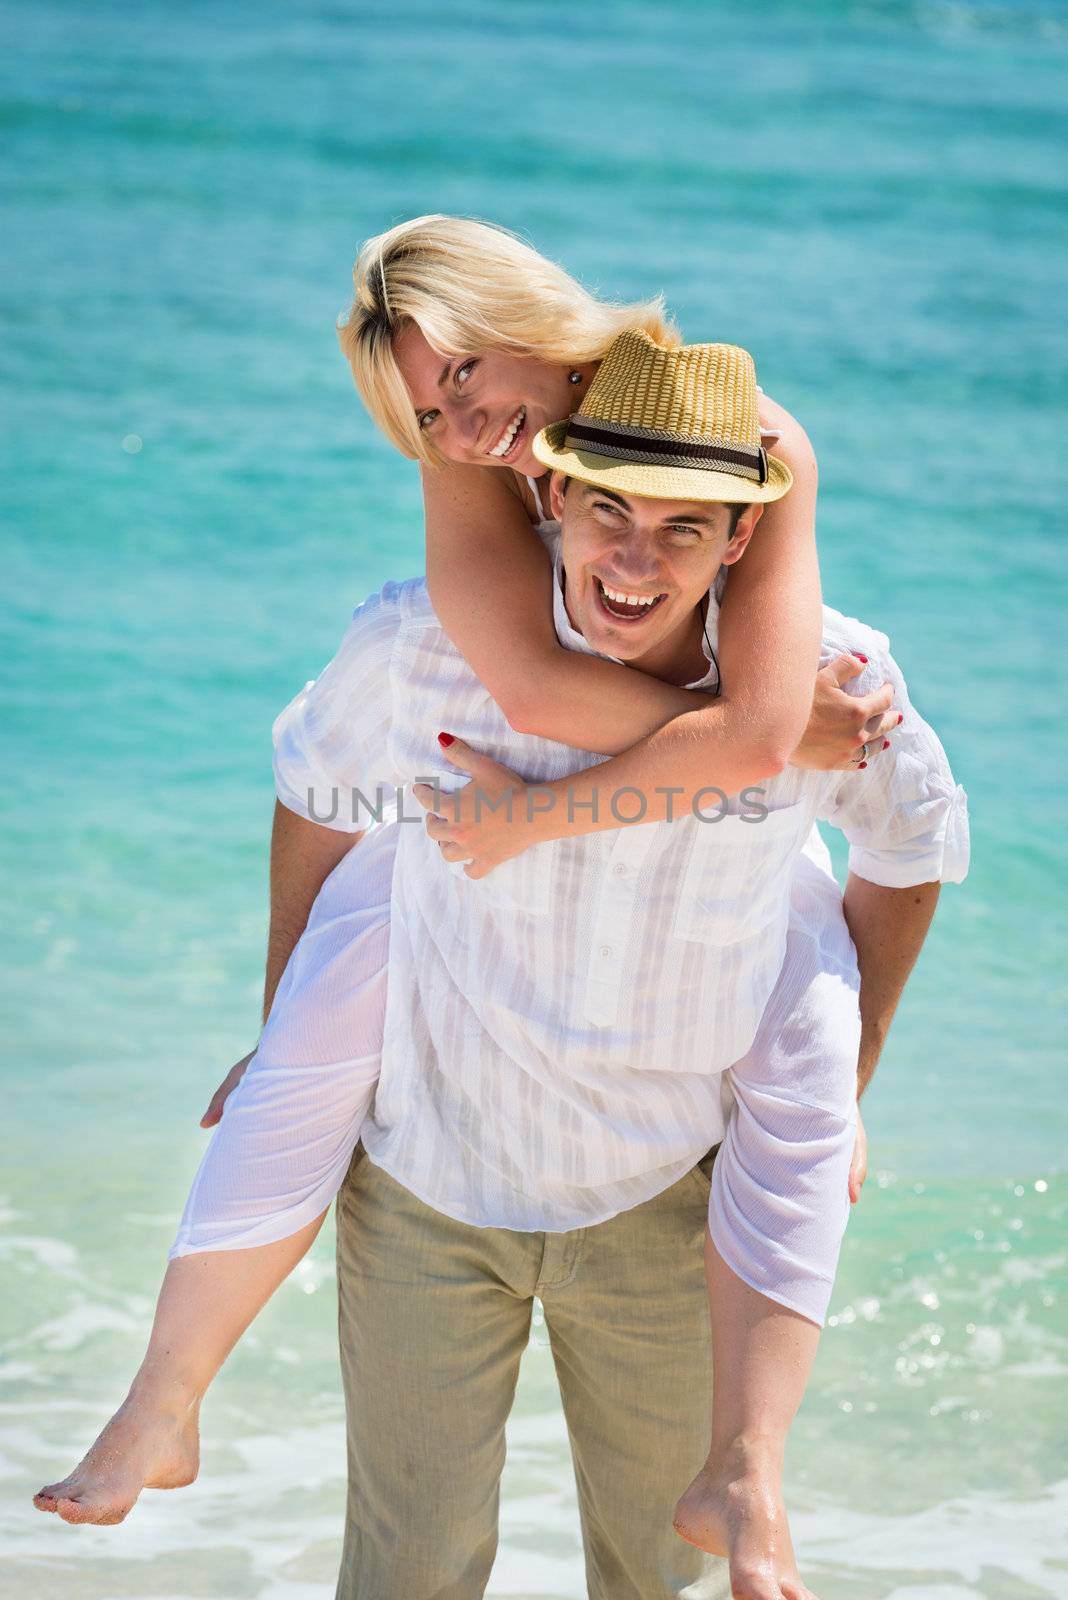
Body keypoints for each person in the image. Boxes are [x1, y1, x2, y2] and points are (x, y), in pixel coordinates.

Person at [34, 320, 968, 1600]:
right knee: (407, 1576)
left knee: (659, 1580)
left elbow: (911, 848)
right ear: (554, 493)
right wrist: (284, 1024)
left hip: (663, 1197)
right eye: (607, 514)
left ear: (742, 537)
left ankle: (749, 1478)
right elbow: (314, 791)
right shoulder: (426, 643)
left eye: (684, 528)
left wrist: (838, 1081)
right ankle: (160, 1409)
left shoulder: (831, 684)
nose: (633, 561)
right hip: (428, 1177)